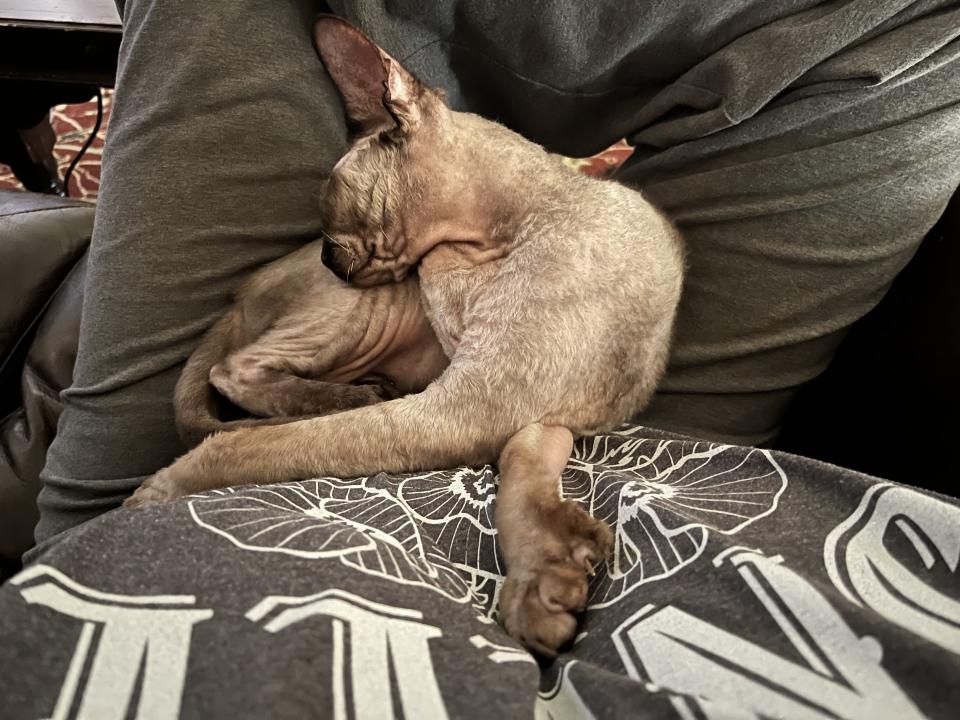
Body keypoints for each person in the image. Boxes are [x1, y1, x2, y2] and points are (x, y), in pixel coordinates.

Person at [4, 3, 959, 717]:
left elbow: (492, 412)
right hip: (307, 41)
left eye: (353, 230)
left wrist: (200, 465)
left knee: (653, 542)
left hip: (870, 38)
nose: (349, 252)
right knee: (110, 558)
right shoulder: (417, 241)